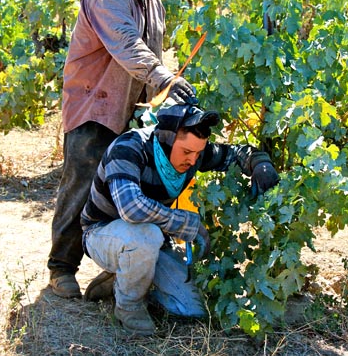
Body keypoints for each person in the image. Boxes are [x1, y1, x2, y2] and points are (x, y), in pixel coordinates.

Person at [48, 0, 197, 299]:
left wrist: (159, 105)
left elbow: (155, 48)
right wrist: (163, 78)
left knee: (124, 192)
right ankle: (61, 269)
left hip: (131, 107)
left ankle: (115, 272)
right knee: (82, 186)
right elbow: (127, 43)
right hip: (94, 105)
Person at [80, 102, 280, 335]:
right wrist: (187, 224)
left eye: (198, 153)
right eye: (187, 152)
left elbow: (234, 154)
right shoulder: (128, 148)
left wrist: (258, 162)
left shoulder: (193, 153)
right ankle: (129, 306)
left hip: (151, 239)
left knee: (192, 308)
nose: (193, 160)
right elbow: (131, 208)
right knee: (147, 236)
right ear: (166, 140)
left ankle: (124, 278)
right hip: (101, 233)